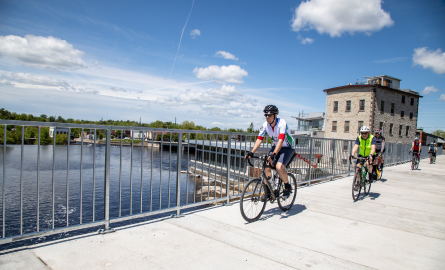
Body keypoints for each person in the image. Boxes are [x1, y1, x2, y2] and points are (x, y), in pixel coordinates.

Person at [245, 105, 295, 197]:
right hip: (276, 146)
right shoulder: (265, 125)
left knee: (279, 167)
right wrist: (251, 152)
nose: (267, 117)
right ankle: (269, 190)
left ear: (275, 115)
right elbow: (259, 139)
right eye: (266, 115)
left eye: (270, 115)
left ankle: (287, 186)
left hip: (287, 148)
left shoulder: (282, 123)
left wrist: (274, 154)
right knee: (266, 166)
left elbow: (281, 140)